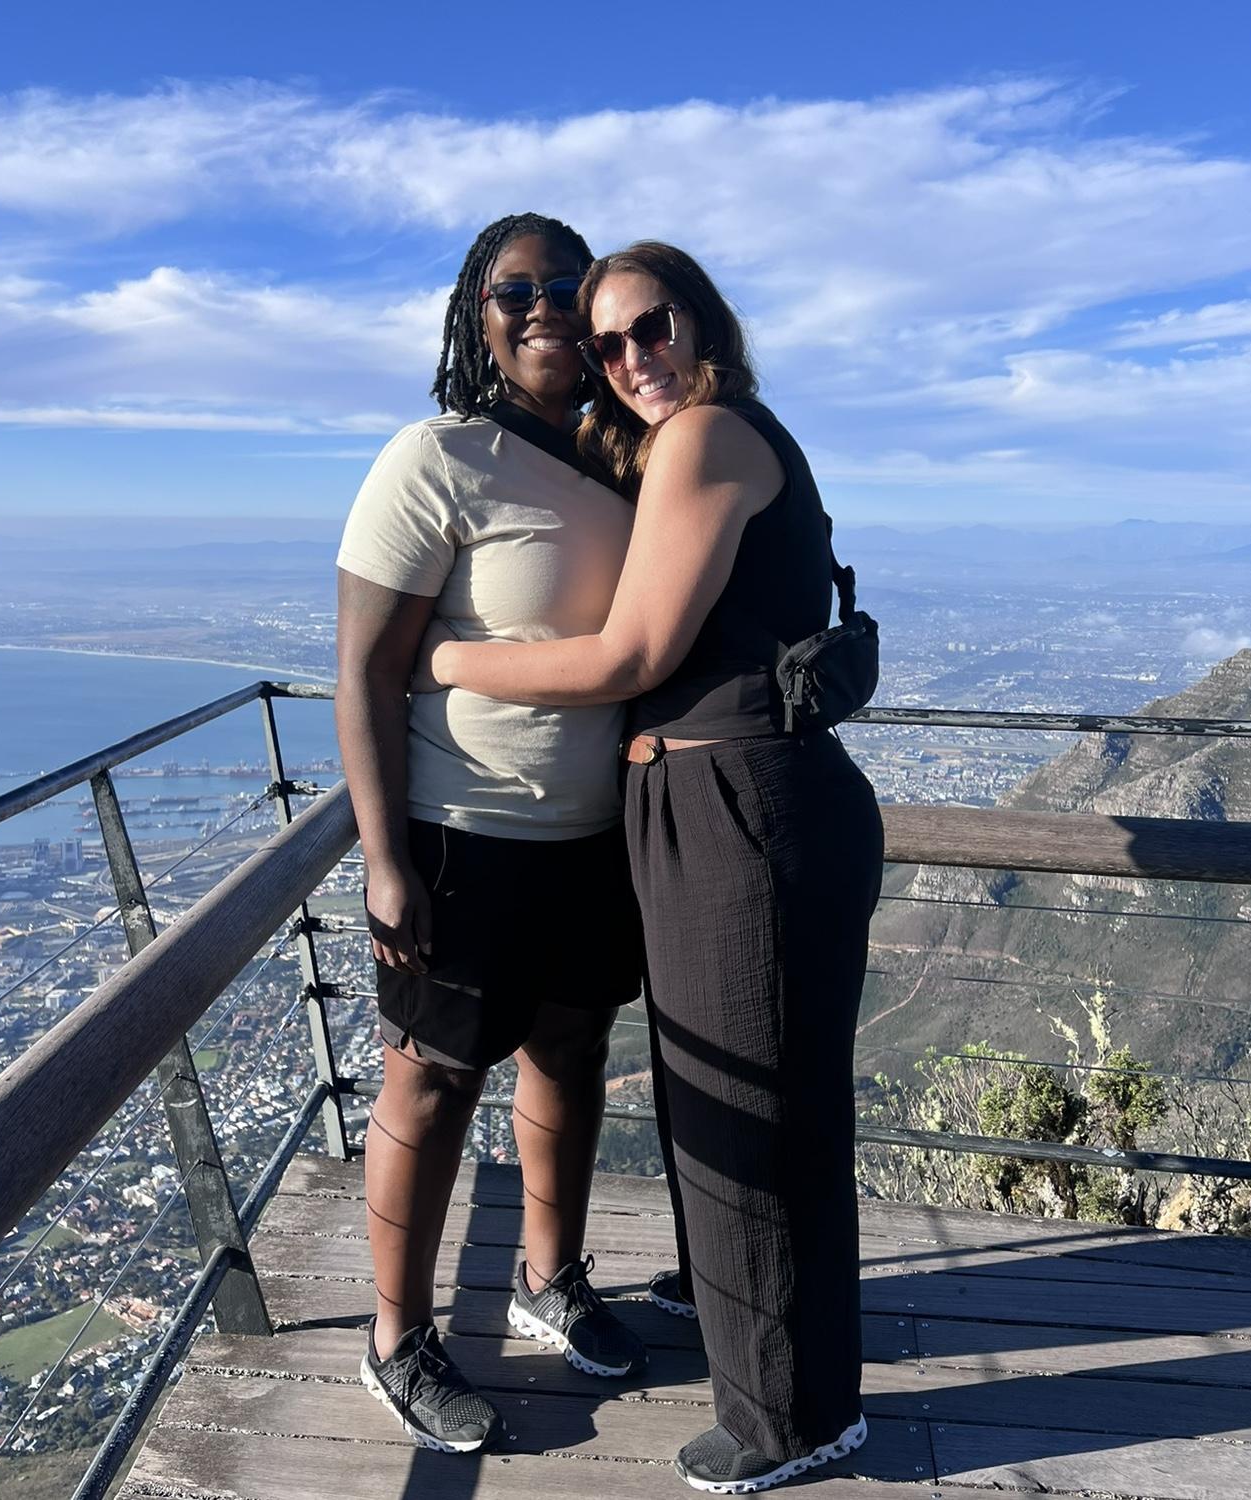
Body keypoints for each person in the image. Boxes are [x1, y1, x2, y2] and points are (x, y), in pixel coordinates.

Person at [423, 241, 884, 1492]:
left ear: (705, 320)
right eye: (608, 340)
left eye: (652, 326)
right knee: (720, 1091)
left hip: (747, 805)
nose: (631, 359)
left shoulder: (708, 434)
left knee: (760, 1109)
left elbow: (630, 651)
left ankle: (796, 1416)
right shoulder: (688, 439)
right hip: (706, 801)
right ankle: (747, 1313)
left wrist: (452, 661)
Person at [333, 213, 647, 1455]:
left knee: (571, 1058)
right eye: (516, 289)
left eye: (568, 285)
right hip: (462, 830)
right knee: (433, 1082)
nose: (545, 307)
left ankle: (545, 1279)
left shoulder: (621, 462)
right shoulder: (434, 458)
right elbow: (364, 673)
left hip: (593, 837)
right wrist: (383, 857)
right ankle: (396, 1340)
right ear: (479, 311)